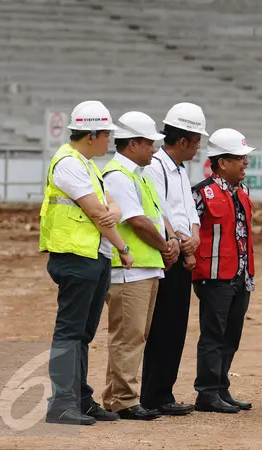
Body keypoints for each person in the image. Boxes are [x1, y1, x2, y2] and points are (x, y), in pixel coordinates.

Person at [40, 100, 133, 425]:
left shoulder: (88, 165)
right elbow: (98, 211)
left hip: (93, 256)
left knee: (82, 333)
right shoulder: (68, 163)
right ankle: (62, 403)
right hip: (76, 256)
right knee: (70, 331)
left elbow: (113, 206)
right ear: (92, 134)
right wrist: (123, 247)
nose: (110, 141)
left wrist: (112, 212)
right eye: (107, 134)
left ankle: (79, 397)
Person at [100, 111, 179, 420]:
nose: (154, 150)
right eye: (149, 144)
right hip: (129, 270)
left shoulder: (138, 175)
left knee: (134, 336)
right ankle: (123, 400)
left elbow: (158, 215)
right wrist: (165, 245)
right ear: (133, 144)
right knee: (128, 337)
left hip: (144, 267)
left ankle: (119, 396)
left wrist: (169, 240)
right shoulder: (119, 175)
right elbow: (136, 220)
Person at [141, 102, 208, 415]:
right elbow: (159, 210)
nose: (198, 148)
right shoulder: (156, 167)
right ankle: (153, 394)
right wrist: (182, 241)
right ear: (183, 141)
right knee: (163, 327)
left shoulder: (180, 170)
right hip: (167, 256)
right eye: (196, 142)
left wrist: (193, 236)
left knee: (177, 327)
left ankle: (163, 392)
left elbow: (189, 212)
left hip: (182, 253)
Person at [190, 128, 256, 414]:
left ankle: (221, 387)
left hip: (240, 275)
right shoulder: (201, 193)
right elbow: (189, 230)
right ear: (221, 162)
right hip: (214, 276)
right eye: (239, 158)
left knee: (232, 335)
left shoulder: (243, 192)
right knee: (213, 335)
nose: (245, 163)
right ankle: (206, 392)